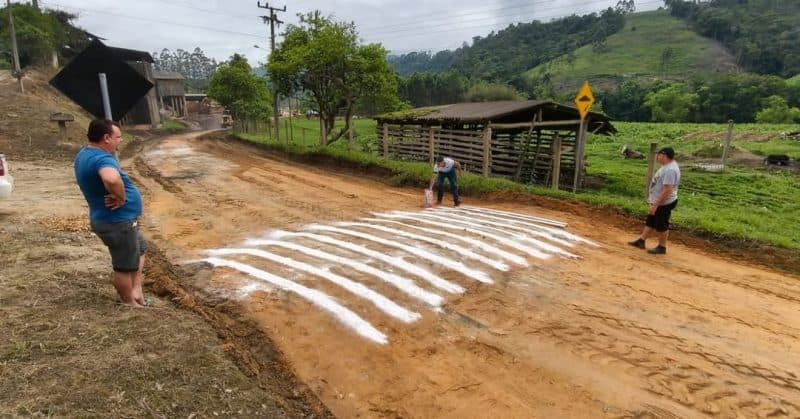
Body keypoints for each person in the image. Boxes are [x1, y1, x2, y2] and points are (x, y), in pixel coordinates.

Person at [74, 119, 148, 307]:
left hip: (114, 220)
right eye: (118, 137)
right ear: (106, 138)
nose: (120, 141)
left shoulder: (85, 153)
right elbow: (111, 179)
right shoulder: (102, 159)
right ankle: (129, 303)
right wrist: (122, 198)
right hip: (116, 222)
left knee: (140, 248)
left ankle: (135, 290)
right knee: (124, 266)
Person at [629, 147, 681, 255]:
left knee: (662, 225)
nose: (657, 157)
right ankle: (641, 241)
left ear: (664, 156)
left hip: (664, 202)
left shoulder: (670, 170)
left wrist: (656, 205)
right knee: (651, 221)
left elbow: (667, 190)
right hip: (659, 201)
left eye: (659, 155)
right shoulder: (666, 166)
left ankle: (662, 247)